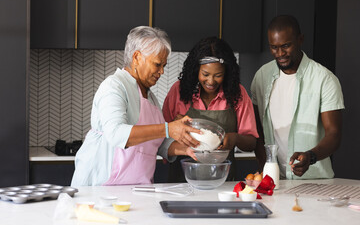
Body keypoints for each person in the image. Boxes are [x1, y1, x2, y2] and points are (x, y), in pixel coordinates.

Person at [71, 26, 201, 186]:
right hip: (100, 188)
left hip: (138, 189)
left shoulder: (150, 98)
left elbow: (157, 143)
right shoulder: (114, 86)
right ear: (137, 57)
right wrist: (168, 128)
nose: (161, 72)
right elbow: (116, 134)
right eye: (157, 64)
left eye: (164, 66)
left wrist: (186, 148)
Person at [251, 15, 344, 179]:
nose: (280, 53)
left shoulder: (324, 79)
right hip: (274, 180)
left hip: (315, 182)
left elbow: (334, 134)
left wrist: (311, 156)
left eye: (286, 46)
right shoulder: (261, 77)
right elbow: (257, 129)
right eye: (274, 47)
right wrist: (263, 164)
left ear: (300, 40)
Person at [163, 37, 259, 182]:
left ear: (227, 72)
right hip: (181, 182)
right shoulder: (178, 91)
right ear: (196, 70)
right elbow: (161, 138)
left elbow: (251, 142)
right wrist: (175, 130)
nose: (211, 81)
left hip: (222, 181)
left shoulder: (237, 94)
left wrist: (235, 138)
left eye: (218, 75)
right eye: (205, 74)